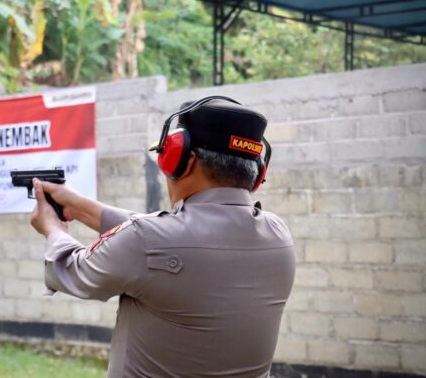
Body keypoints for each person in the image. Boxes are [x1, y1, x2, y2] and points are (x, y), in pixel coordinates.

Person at [30, 97, 295, 378]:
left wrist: (52, 228)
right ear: (258, 172)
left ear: (182, 159)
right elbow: (167, 236)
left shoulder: (147, 241)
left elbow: (72, 269)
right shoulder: (279, 236)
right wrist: (80, 207)